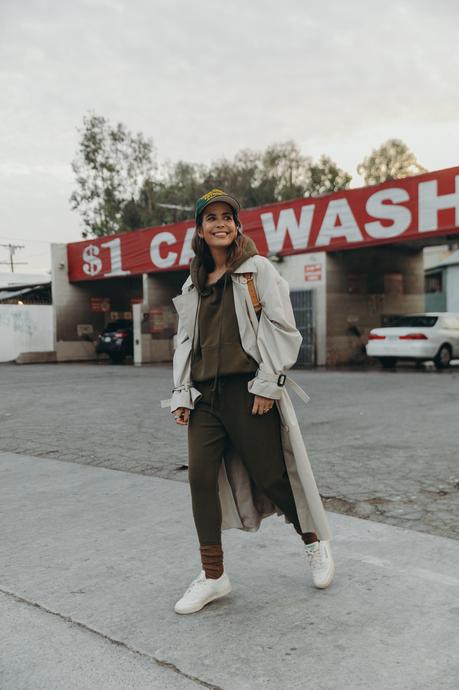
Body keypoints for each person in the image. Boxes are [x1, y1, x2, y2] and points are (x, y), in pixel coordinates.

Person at [168, 188, 334, 615]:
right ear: (200, 229)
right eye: (211, 218)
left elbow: (283, 327)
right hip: (205, 399)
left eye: (227, 216)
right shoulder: (193, 281)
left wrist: (267, 383)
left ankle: (314, 542)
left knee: (273, 477)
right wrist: (181, 392)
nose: (220, 223)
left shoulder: (256, 269)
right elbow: (187, 340)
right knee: (200, 480)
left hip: (249, 394)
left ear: (237, 225)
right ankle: (213, 575)